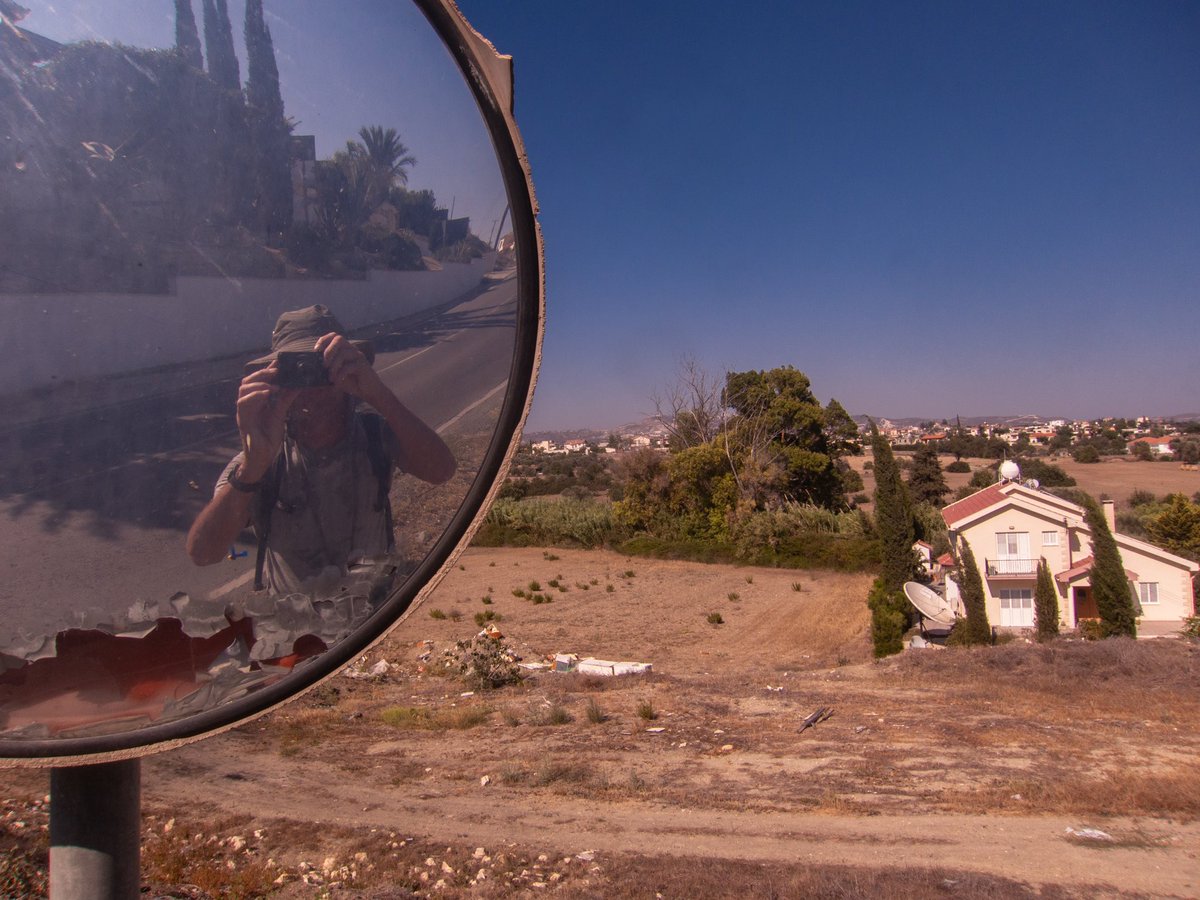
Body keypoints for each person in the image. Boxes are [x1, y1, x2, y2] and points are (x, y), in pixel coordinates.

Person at [187, 305, 455, 596]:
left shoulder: (375, 437)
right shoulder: (262, 462)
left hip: (374, 619)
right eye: (296, 371)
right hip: (293, 633)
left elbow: (442, 471)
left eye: (321, 368)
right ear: (276, 380)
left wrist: (377, 394)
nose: (311, 386)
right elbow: (203, 554)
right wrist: (253, 466)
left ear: (347, 368)